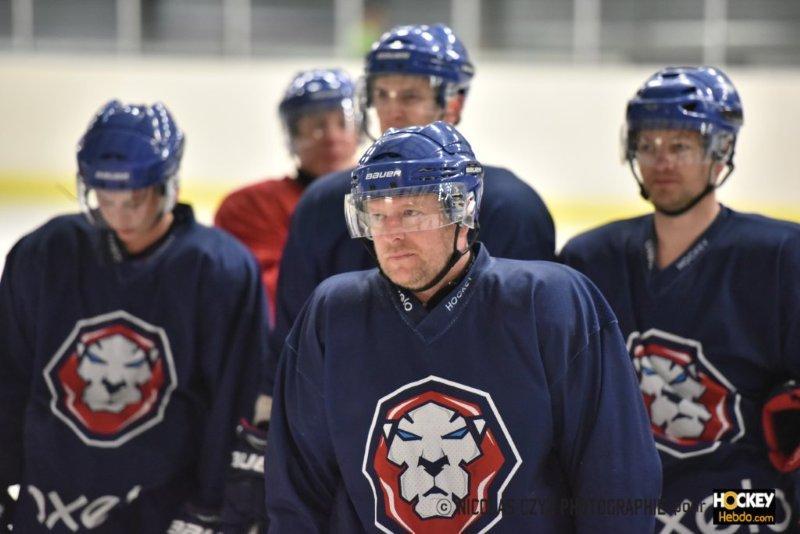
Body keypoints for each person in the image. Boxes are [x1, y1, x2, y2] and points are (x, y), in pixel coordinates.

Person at [265, 121, 661, 533]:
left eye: (411, 213)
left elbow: (615, 473)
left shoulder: (550, 303)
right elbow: (298, 490)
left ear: (463, 210)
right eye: (378, 216)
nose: (392, 236)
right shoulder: (333, 314)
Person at [0, 100, 269, 532]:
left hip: (164, 510)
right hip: (49, 503)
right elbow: (9, 374)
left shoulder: (218, 269)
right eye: (106, 198)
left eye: (136, 198)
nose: (120, 214)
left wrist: (214, 505)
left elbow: (233, 398)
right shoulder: (44, 254)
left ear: (169, 185)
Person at [560, 66, 800, 531]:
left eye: (680, 147)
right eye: (647, 146)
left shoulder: (779, 256)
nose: (661, 161)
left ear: (721, 151)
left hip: (747, 502)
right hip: (628, 504)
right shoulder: (591, 258)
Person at [266, 23, 555, 398]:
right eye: (382, 94)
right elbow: (294, 344)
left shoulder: (511, 208)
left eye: (410, 95)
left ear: (454, 102)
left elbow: (527, 354)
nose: (393, 111)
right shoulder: (323, 205)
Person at [214, 68, 361, 319]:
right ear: (292, 136)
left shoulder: (388, 201)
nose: (332, 137)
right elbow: (262, 299)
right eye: (316, 126)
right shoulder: (250, 206)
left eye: (342, 123)